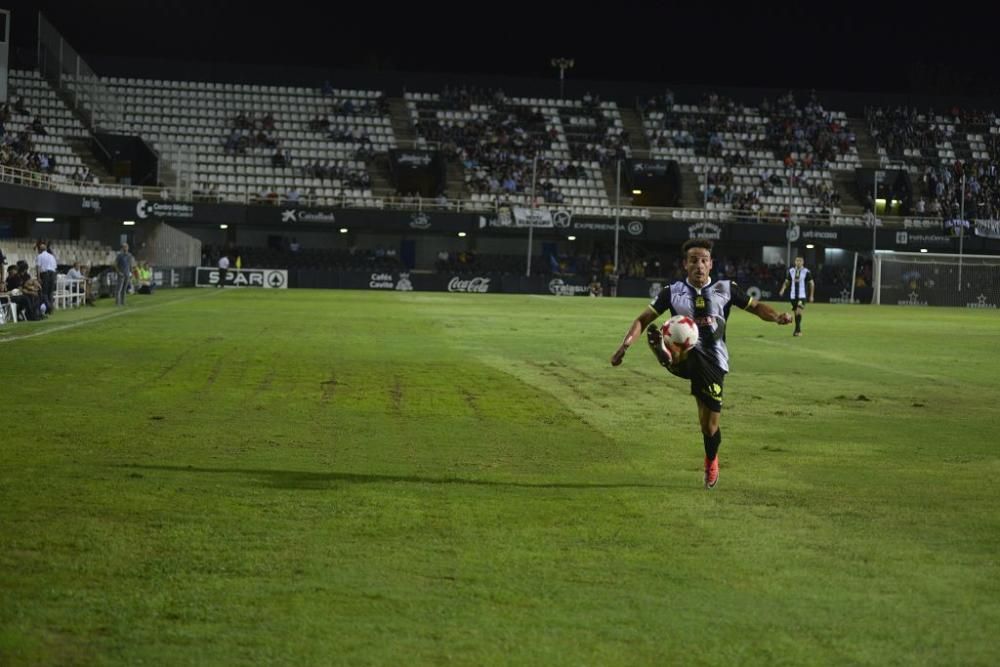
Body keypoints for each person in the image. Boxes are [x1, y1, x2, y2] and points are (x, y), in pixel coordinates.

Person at [610, 239, 793, 489]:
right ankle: (666, 352)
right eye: (693, 260)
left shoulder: (726, 289)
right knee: (686, 343)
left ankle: (711, 460)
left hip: (715, 363)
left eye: (704, 260)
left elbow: (757, 307)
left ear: (711, 264)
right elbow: (643, 319)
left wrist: (777, 317)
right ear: (685, 264)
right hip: (685, 357)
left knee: (709, 427)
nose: (699, 265)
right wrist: (625, 345)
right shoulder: (672, 292)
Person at [777, 255, 815, 337]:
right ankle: (797, 330)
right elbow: (787, 282)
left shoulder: (806, 271)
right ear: (795, 262)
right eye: (797, 261)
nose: (798, 262)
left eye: (800, 261)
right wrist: (782, 289)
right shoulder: (791, 271)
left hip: (802, 296)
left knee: (798, 311)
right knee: (796, 314)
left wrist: (811, 295)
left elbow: (812, 283)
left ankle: (798, 331)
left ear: (803, 262)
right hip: (793, 296)